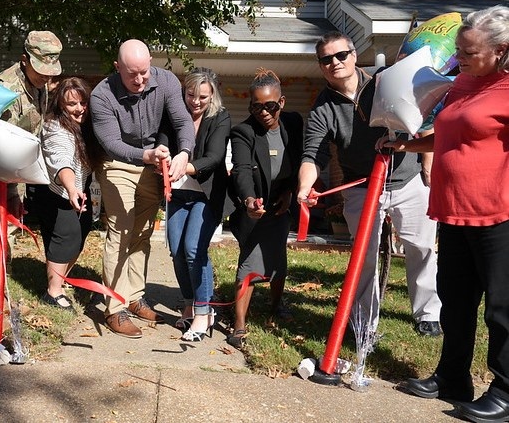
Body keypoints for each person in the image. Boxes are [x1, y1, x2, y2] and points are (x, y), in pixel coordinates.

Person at [381, 6, 509, 422]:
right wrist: (407, 147)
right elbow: (448, 135)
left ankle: (506, 390)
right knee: (456, 302)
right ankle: (453, 377)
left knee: (501, 308)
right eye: (458, 49)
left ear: (500, 51)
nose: (459, 58)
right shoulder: (463, 84)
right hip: (453, 212)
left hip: (499, 215)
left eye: (468, 52)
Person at [296, 31, 442, 338]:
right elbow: (313, 154)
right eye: (326, 59)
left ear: (353, 55)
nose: (334, 63)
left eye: (340, 55)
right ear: (320, 65)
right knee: (364, 254)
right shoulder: (324, 108)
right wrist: (305, 188)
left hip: (407, 178)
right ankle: (365, 321)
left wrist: (428, 163)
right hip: (361, 187)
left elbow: (425, 117)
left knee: (421, 247)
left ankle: (428, 313)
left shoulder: (384, 81)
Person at [90, 39, 195, 338]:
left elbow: (181, 121)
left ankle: (134, 296)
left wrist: (184, 152)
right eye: (131, 74)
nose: (139, 80)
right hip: (118, 163)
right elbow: (112, 143)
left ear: (151, 62)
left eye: (144, 72)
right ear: (117, 67)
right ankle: (114, 307)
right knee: (121, 228)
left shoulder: (167, 82)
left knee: (143, 231)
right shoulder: (102, 95)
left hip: (152, 164)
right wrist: (145, 155)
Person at [0, 30, 62, 330]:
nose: (46, 77)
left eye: (51, 71)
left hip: (10, 174)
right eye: (41, 70)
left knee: (7, 236)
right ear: (24, 59)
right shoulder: (6, 88)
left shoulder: (39, 85)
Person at [226, 68, 303, 349]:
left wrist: (290, 192)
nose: (264, 112)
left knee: (277, 259)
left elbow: (298, 161)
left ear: (281, 102)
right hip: (253, 208)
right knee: (249, 262)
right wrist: (248, 200)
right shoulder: (243, 131)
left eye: (270, 106)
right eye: (256, 106)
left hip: (280, 206)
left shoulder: (293, 123)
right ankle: (239, 324)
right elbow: (242, 170)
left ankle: (276, 305)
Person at [160, 67, 231, 341]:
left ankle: (204, 313)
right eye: (191, 94)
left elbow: (214, 157)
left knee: (193, 250)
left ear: (212, 95)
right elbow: (164, 141)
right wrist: (163, 157)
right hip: (178, 194)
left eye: (203, 96)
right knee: (177, 250)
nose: (196, 101)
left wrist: (184, 167)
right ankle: (189, 302)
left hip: (206, 195)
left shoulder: (220, 117)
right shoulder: (175, 114)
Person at [38, 77, 103, 310]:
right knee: (66, 236)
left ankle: (61, 280)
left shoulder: (87, 126)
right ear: (61, 106)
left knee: (82, 231)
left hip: (78, 190)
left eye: (83, 102)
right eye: (72, 104)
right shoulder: (55, 127)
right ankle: (52, 292)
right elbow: (61, 160)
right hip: (56, 191)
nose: (79, 109)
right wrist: (71, 187)